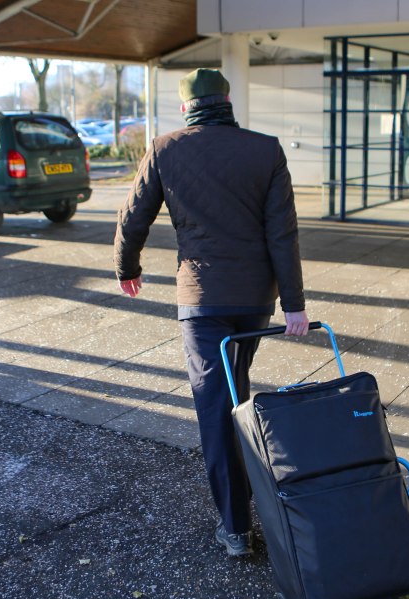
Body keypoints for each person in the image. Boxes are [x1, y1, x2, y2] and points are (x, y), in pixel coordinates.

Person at [113, 68, 308, 557]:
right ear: (226, 99)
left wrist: (126, 267)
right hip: (254, 302)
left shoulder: (165, 149)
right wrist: (294, 304)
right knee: (234, 391)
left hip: (202, 301)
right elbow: (282, 233)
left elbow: (134, 215)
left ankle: (236, 527)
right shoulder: (265, 149)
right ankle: (252, 495)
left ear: (186, 107)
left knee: (214, 410)